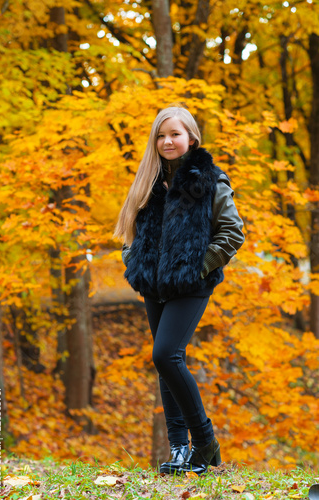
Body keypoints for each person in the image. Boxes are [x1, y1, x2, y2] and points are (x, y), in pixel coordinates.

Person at [113, 106, 245, 475]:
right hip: (152, 285)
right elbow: (129, 235)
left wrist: (196, 267)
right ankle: (180, 449)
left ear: (191, 137)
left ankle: (205, 444)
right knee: (166, 366)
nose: (167, 141)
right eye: (161, 135)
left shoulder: (210, 181)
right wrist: (134, 263)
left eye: (175, 134)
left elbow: (233, 233)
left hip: (192, 283)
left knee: (166, 355)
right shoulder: (149, 183)